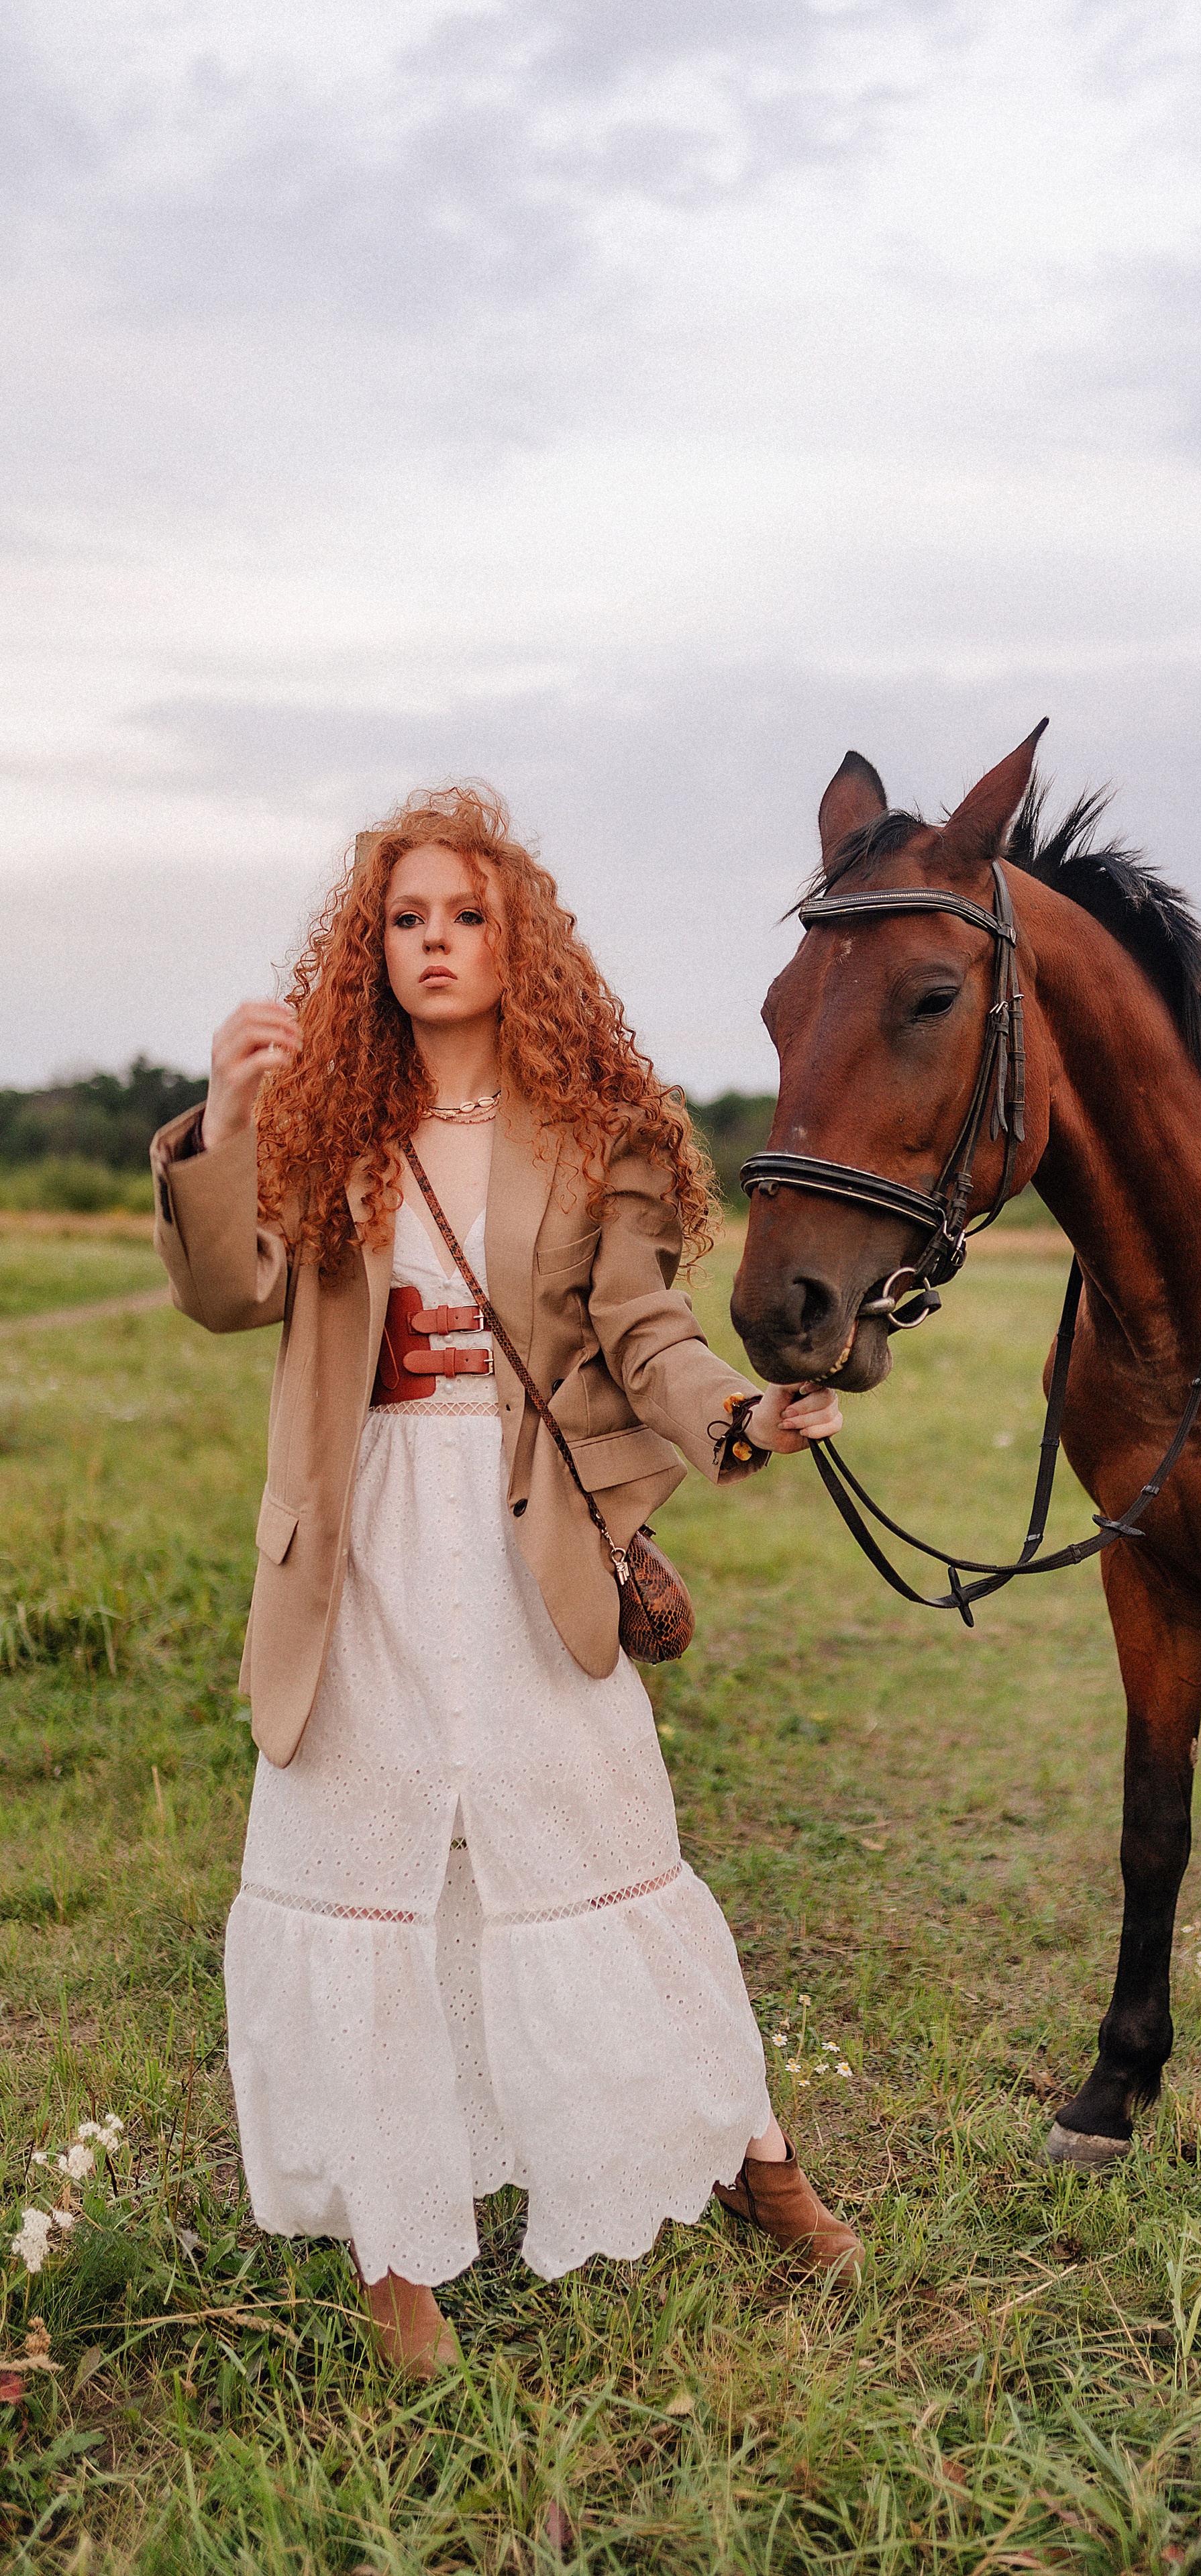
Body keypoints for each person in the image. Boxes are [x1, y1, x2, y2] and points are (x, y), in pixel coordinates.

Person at [151, 783, 859, 2375]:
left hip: (531, 1535)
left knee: (605, 1844)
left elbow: (643, 1327)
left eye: (464, 915)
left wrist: (739, 1416)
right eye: (405, 919)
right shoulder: (323, 1114)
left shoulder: (597, 1126)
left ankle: (752, 2157)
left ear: (514, 936)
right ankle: (397, 2254)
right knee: (367, 1865)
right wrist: (220, 1107)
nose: (433, 943)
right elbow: (219, 1291)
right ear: (371, 946)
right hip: (362, 1540)